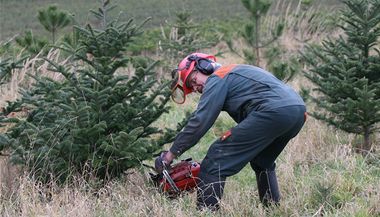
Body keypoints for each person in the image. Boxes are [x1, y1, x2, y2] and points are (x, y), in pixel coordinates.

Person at [155, 52, 307, 210]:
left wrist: (169, 155)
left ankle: (206, 213)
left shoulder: (217, 77)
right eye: (192, 88)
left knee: (215, 159)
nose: (195, 88)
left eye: (193, 80)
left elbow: (200, 121)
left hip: (273, 111)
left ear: (204, 67)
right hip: (297, 111)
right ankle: (273, 210)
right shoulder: (235, 72)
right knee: (262, 161)